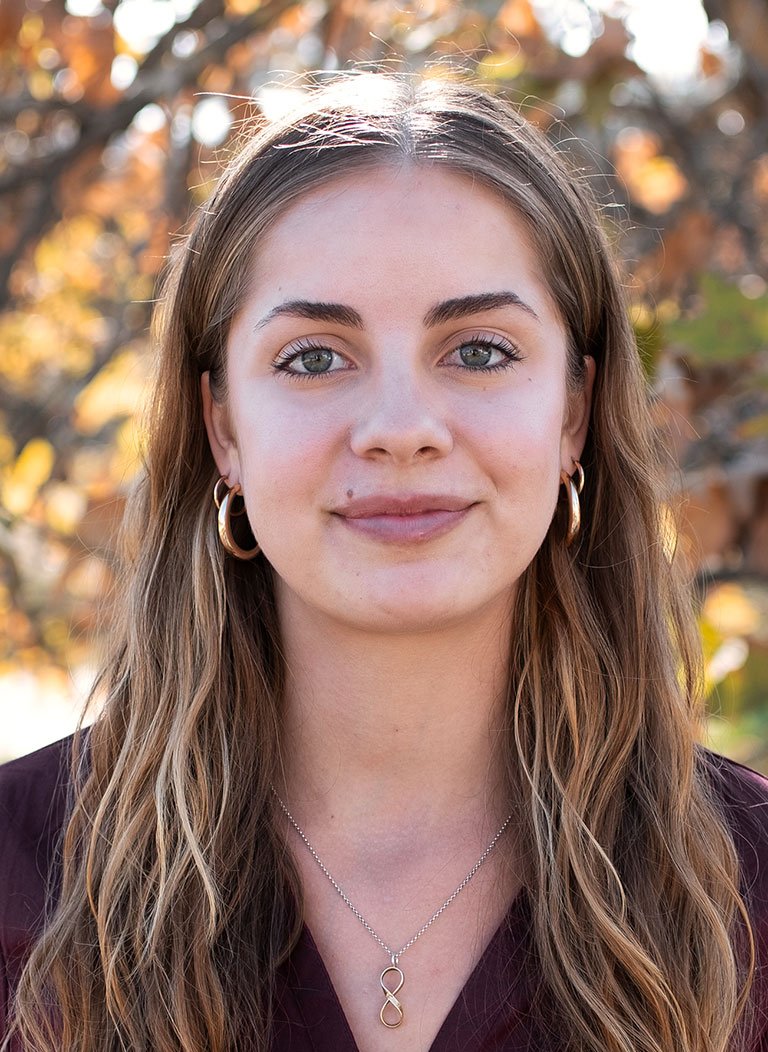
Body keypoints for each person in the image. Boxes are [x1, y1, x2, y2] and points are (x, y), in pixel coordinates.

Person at [1, 71, 767, 1052]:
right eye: (315, 356)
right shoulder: (18, 872)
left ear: (573, 409)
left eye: (480, 349)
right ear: (221, 424)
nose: (401, 429)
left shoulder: (750, 887)